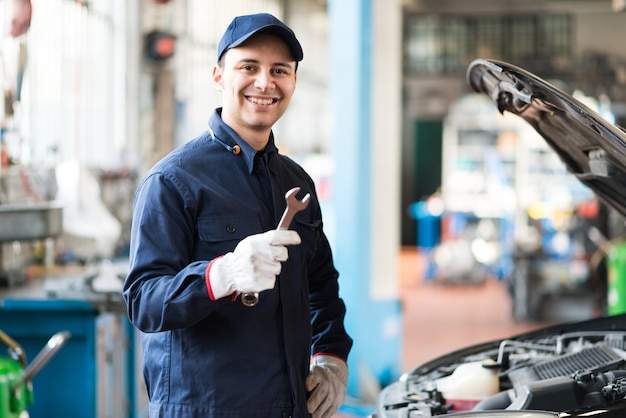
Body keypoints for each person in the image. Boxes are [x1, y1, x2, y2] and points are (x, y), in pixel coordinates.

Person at [123, 12, 353, 418]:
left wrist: (331, 356)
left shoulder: (296, 181)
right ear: (219, 77)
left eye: (279, 70)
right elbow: (144, 301)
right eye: (249, 67)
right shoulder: (173, 181)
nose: (265, 83)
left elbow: (321, 286)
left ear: (293, 82)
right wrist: (221, 275)